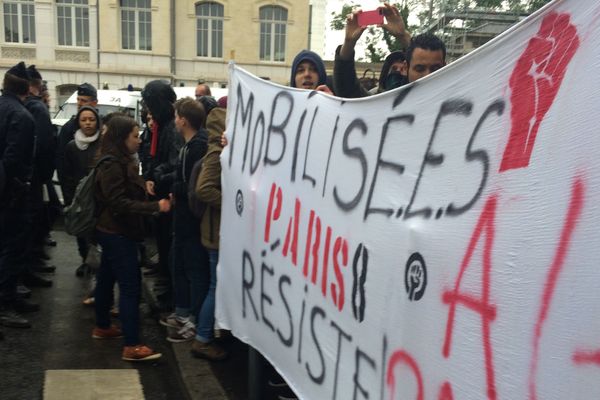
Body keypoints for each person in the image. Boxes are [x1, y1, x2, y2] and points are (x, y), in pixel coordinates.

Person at [92, 115, 170, 361]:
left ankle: (103, 326)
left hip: (110, 231)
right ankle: (132, 344)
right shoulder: (112, 164)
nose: (139, 141)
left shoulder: (116, 160)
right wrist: (155, 207)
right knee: (129, 286)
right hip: (118, 232)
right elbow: (118, 202)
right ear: (121, 138)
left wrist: (142, 187)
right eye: (134, 136)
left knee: (106, 277)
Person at [160, 98, 208, 343]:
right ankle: (182, 312)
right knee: (177, 262)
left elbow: (192, 185)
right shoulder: (189, 145)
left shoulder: (197, 146)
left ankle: (194, 319)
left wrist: (172, 188)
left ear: (184, 120)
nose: (175, 120)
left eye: (177, 116)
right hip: (183, 219)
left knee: (194, 269)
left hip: (191, 220)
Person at [0, 62, 37, 330]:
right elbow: (13, 159)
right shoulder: (22, 117)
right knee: (11, 247)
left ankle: (9, 297)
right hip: (11, 193)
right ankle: (5, 303)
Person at [190, 103, 228, 361]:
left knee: (219, 285)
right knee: (216, 287)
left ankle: (211, 331)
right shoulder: (216, 152)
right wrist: (233, 204)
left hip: (216, 232)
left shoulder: (220, 149)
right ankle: (203, 338)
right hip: (216, 234)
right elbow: (204, 189)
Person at [141, 80, 182, 302]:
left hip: (169, 197)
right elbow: (153, 157)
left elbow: (175, 165)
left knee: (168, 245)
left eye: (150, 103)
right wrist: (149, 177)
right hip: (159, 192)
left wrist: (156, 177)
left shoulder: (172, 129)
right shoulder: (159, 125)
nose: (147, 109)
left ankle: (168, 289)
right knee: (162, 242)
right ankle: (164, 279)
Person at [333, 3, 412, 98]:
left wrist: (403, 36)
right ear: (385, 74)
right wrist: (349, 43)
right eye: (394, 68)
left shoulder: (421, 97)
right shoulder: (373, 102)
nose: (398, 72)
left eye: (404, 69)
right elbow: (346, 88)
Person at [23, 65, 57, 278]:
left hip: (28, 175)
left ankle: (33, 262)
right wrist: (45, 174)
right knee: (33, 220)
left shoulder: (29, 106)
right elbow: (44, 143)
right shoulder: (36, 108)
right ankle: (30, 266)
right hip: (33, 176)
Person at [62, 106, 102, 277]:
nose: (87, 123)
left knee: (96, 232)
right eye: (83, 120)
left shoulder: (102, 143)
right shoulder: (72, 146)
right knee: (81, 230)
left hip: (97, 195)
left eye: (91, 119)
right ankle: (84, 260)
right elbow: (66, 172)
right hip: (78, 196)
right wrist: (70, 197)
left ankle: (96, 263)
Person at [56, 83, 98, 186]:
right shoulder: (69, 128)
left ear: (94, 103)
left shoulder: (102, 127)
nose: (79, 103)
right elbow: (62, 163)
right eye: (78, 100)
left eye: (84, 101)